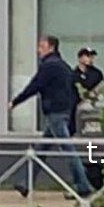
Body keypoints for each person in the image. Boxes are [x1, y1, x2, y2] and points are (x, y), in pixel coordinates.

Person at [8, 36, 93, 198]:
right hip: (63, 112)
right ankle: (25, 183)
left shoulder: (49, 66)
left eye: (42, 46)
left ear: (51, 48)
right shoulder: (63, 66)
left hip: (55, 113)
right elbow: (73, 91)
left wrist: (15, 101)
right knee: (41, 149)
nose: (38, 50)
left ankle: (84, 186)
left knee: (68, 150)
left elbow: (35, 85)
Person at [71, 47, 104, 134]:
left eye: (92, 57)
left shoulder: (97, 73)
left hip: (94, 105)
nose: (91, 59)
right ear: (80, 58)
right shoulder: (74, 74)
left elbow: (102, 87)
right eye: (88, 56)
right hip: (77, 106)